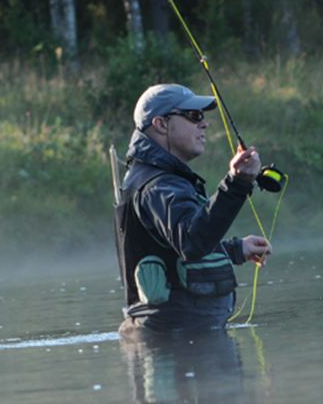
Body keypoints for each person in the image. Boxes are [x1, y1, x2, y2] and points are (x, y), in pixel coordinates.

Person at [114, 83, 272, 334]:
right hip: (171, 344)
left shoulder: (166, 179)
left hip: (185, 340)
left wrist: (235, 250)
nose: (204, 124)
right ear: (160, 124)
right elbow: (192, 241)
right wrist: (237, 183)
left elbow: (175, 246)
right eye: (194, 116)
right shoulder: (158, 186)